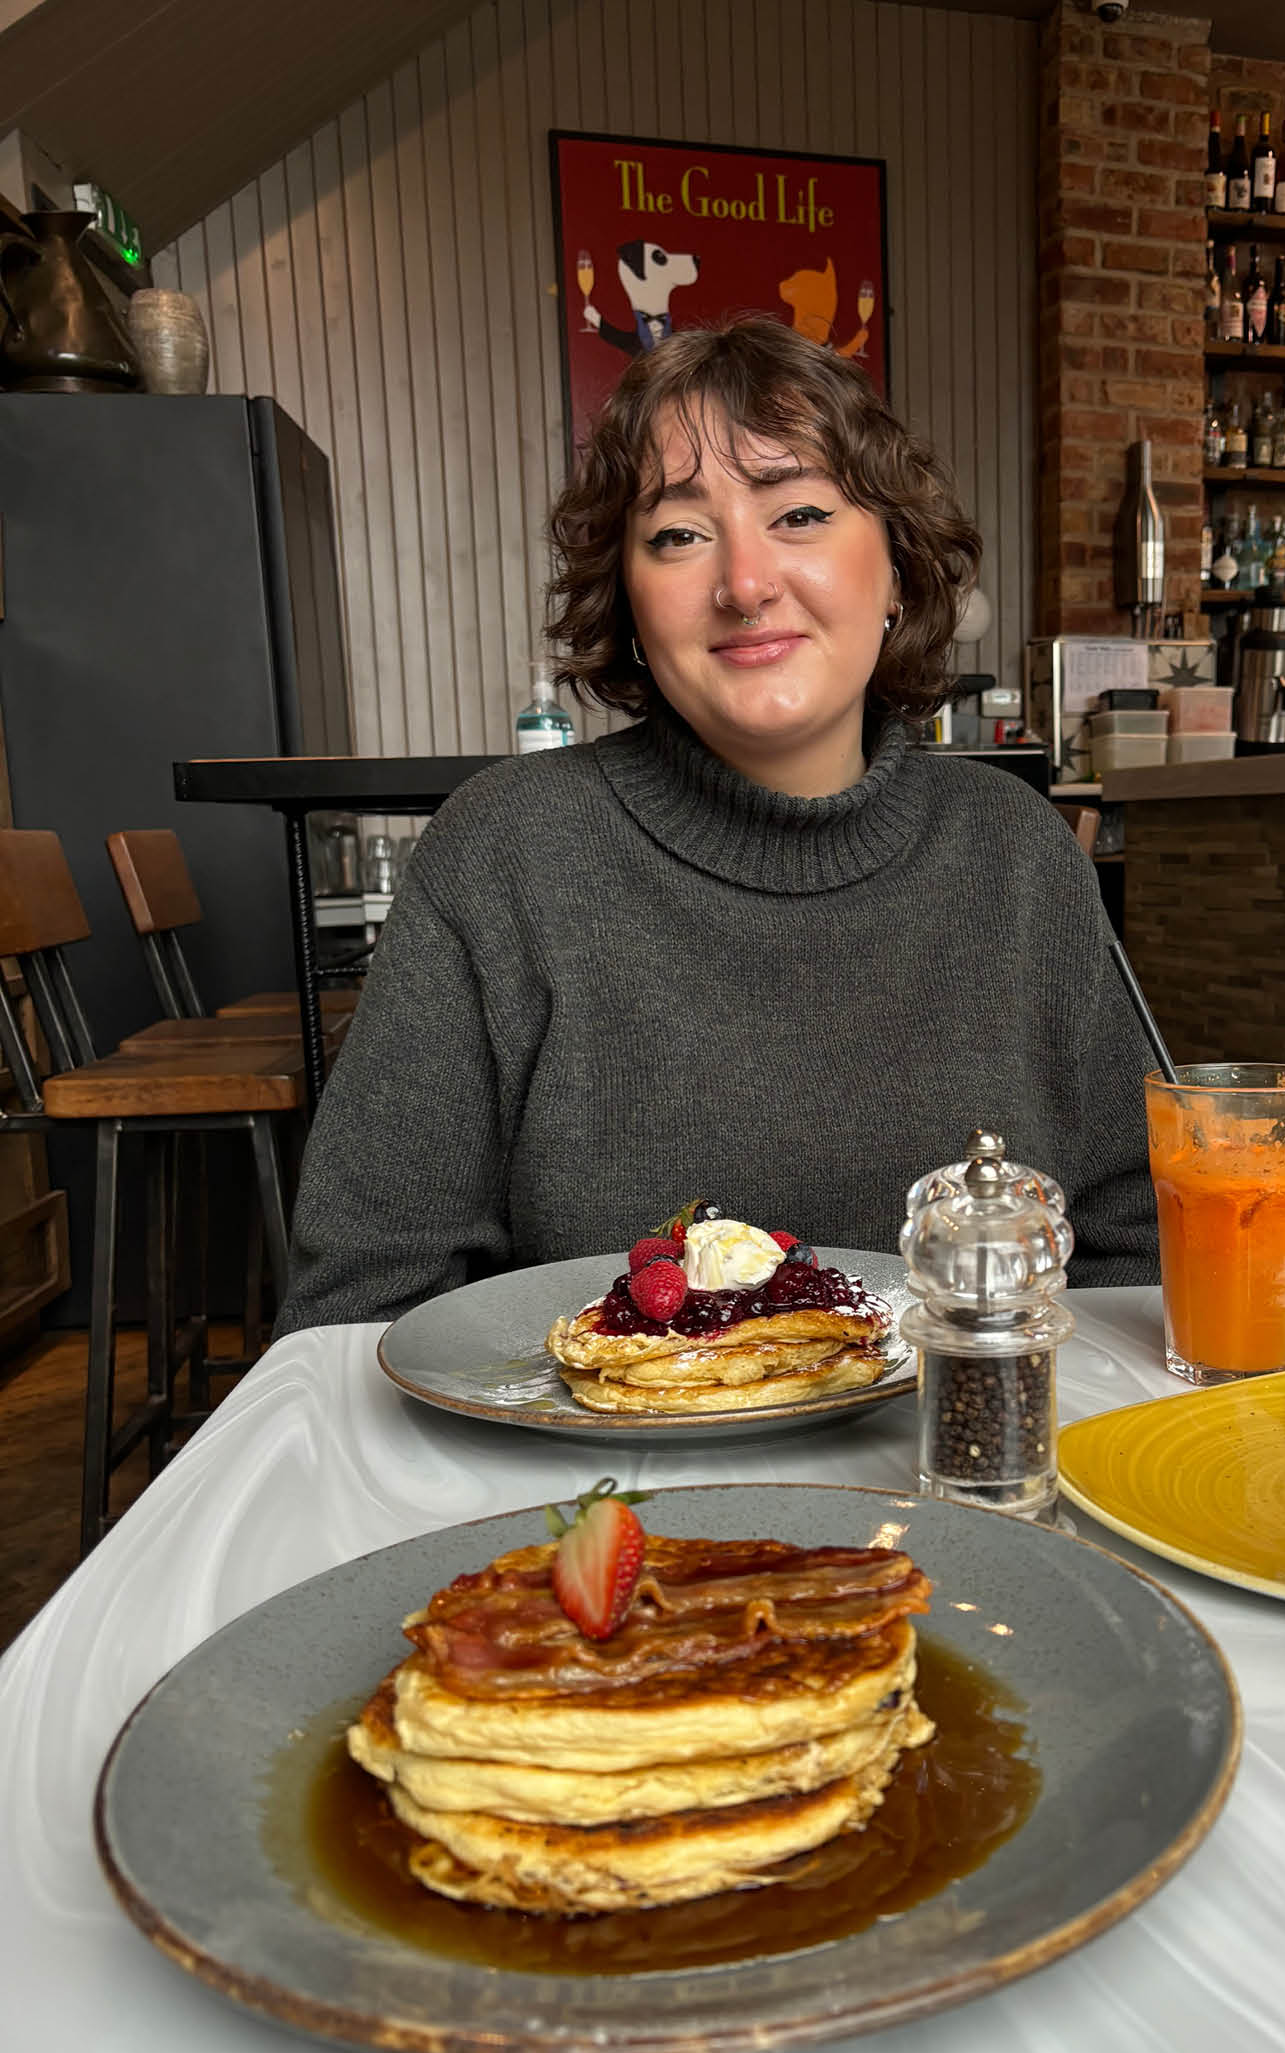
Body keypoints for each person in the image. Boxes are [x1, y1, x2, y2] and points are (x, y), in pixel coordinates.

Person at [276, 318, 1157, 1331]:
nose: (743, 584)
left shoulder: (1018, 853)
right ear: (632, 607)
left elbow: (1136, 1252)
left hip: (961, 1477)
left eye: (799, 514)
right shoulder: (506, 855)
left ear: (900, 571)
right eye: (679, 535)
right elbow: (360, 1314)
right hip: (609, 1482)